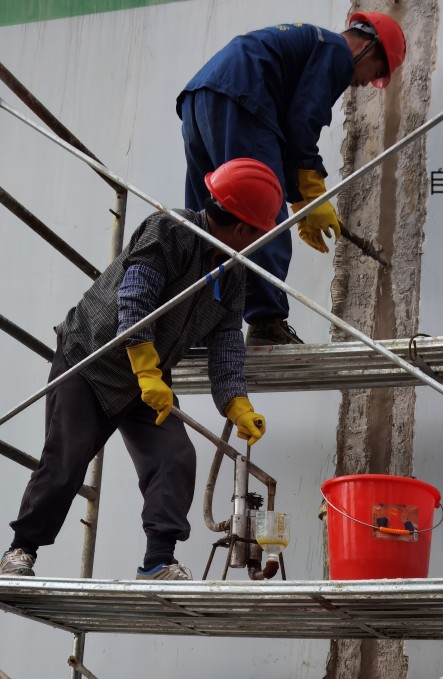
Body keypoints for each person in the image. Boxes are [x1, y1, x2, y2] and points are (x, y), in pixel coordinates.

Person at [0, 158, 282, 582]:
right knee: (67, 459)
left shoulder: (233, 272)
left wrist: (236, 403)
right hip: (92, 360)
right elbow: (135, 298)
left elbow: (226, 339)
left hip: (145, 378)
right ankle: (20, 550)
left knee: (174, 456)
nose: (259, 242)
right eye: (259, 232)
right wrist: (147, 370)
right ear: (242, 229)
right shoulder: (170, 230)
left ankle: (157, 562)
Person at [177, 11, 406, 347]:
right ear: (368, 47)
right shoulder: (335, 51)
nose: (366, 83)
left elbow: (284, 138)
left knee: (210, 218)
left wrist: (300, 199)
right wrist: (313, 192)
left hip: (198, 99)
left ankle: (191, 324)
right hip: (242, 98)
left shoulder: (307, 45)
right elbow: (303, 124)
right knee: (262, 208)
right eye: (377, 72)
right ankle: (266, 321)